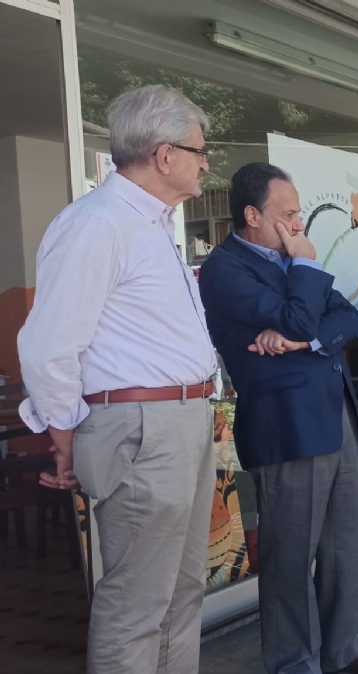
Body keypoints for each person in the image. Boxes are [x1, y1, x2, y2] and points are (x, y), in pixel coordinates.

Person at [16, 85, 217, 674]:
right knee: (136, 604)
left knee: (182, 592)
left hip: (180, 421)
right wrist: (63, 433)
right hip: (141, 427)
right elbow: (48, 345)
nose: (206, 164)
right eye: (199, 151)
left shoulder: (149, 225)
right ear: (164, 155)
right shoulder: (98, 223)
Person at [198, 163, 358, 674]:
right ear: (252, 215)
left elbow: (347, 317)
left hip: (335, 414)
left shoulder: (291, 259)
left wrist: (302, 341)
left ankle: (343, 651)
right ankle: (294, 662)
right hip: (285, 424)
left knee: (347, 543)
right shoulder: (226, 269)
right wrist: (305, 275)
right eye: (288, 214)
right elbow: (298, 315)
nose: (298, 224)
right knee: (291, 556)